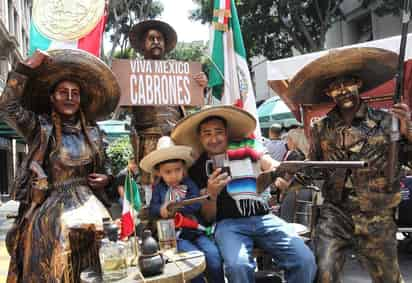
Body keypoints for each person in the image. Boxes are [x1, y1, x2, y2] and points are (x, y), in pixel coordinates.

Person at [283, 47, 412, 283]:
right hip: (336, 211)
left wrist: (408, 131)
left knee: (388, 278)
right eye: (334, 87)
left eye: (347, 83)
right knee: (324, 271)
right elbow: (316, 166)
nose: (342, 91)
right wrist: (287, 180)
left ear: (358, 83)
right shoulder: (321, 127)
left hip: (377, 212)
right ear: (328, 93)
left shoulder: (386, 121)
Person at [1, 49, 121, 282]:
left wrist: (106, 179)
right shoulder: (40, 128)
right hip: (51, 201)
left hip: (89, 199)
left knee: (105, 237)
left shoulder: (95, 133)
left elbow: (106, 169)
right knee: (60, 235)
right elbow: (7, 107)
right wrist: (24, 68)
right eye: (63, 92)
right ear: (52, 97)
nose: (69, 97)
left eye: (75, 93)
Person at [171, 105, 316, 283]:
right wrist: (212, 194)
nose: (214, 138)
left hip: (263, 218)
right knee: (237, 266)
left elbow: (268, 162)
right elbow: (209, 217)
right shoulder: (197, 168)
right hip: (227, 225)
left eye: (218, 132)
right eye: (207, 133)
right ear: (200, 138)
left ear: (226, 133)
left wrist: (276, 170)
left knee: (305, 260)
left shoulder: (246, 147)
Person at [128, 20, 207, 201]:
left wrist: (201, 86)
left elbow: (195, 103)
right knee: (152, 190)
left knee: (181, 184)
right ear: (143, 44)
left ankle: (184, 222)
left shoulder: (178, 71)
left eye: (160, 38)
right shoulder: (132, 73)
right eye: (151, 38)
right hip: (148, 141)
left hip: (175, 139)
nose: (156, 41)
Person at [140, 136, 224, 283]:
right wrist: (161, 210)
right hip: (175, 237)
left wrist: (178, 207)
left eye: (177, 170)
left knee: (214, 256)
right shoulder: (159, 189)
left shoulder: (189, 184)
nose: (173, 175)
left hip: (197, 231)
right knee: (192, 261)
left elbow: (197, 203)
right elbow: (152, 209)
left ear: (183, 169)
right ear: (159, 172)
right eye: (168, 172)